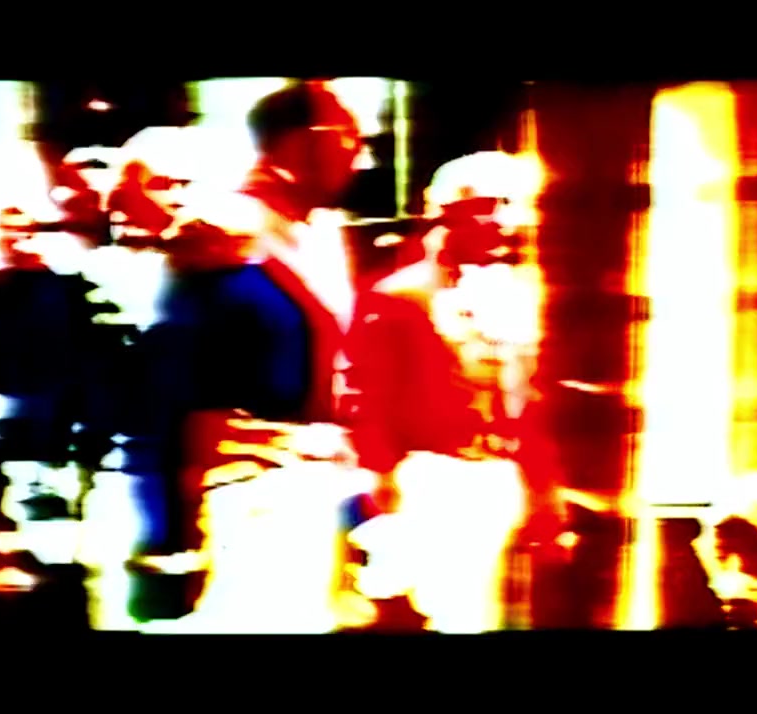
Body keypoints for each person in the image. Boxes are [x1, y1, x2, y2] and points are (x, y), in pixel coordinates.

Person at [120, 81, 369, 628]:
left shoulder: (324, 232)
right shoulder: (222, 230)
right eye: (349, 137)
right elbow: (171, 383)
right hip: (246, 486)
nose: (360, 155)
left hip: (320, 484)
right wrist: (168, 525)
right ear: (304, 140)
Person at [341, 151, 564, 632]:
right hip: (432, 482)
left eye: (510, 204)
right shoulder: (398, 297)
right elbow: (368, 401)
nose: (502, 220)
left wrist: (544, 489)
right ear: (444, 213)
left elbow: (527, 400)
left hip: (503, 481)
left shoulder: (515, 294)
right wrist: (383, 488)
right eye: (486, 206)